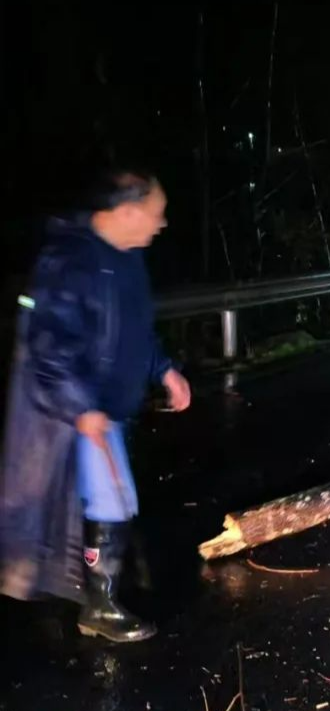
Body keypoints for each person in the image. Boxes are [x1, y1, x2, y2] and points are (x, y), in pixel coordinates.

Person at [0, 170, 191, 642]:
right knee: (111, 499)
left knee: (117, 501)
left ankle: (97, 595)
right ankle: (99, 607)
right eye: (155, 213)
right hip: (71, 414)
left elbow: (136, 329)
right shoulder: (70, 260)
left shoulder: (129, 257)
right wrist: (81, 406)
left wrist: (164, 369)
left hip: (108, 408)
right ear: (125, 212)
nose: (161, 223)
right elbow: (47, 344)